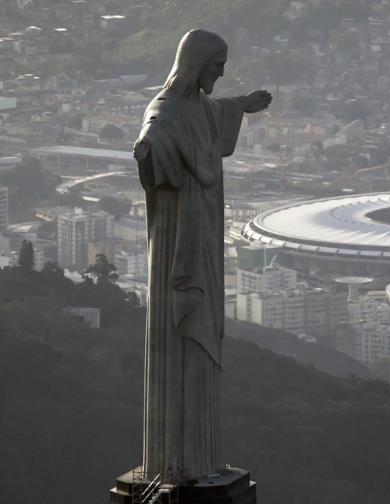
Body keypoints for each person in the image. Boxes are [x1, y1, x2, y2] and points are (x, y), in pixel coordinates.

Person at [134, 29, 271, 483]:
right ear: (196, 65)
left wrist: (242, 104)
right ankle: (176, 466)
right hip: (178, 237)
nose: (221, 73)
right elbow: (155, 135)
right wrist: (147, 149)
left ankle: (200, 462)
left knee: (203, 339)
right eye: (216, 66)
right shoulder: (166, 112)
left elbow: (215, 113)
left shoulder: (199, 107)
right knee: (178, 339)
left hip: (204, 233)